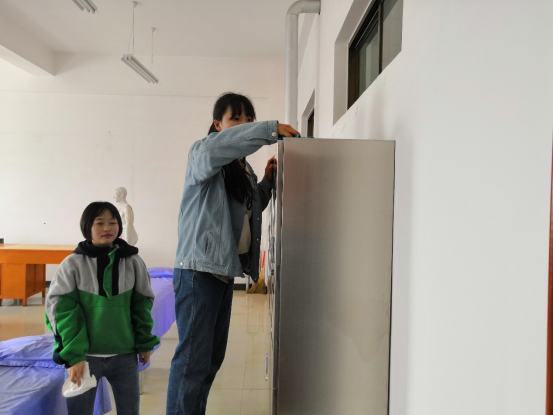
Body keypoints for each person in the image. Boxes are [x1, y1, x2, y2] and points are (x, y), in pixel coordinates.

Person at [166, 92, 299, 414]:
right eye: (235, 118)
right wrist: (268, 129)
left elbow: (248, 211)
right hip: (198, 272)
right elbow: (227, 144)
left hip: (222, 272)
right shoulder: (203, 153)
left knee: (210, 360)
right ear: (217, 124)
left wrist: (266, 183)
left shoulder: (241, 168)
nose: (243, 124)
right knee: (192, 362)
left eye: (248, 119)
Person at [45, 201, 160, 415]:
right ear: (87, 227)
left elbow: (142, 306)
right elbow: (61, 311)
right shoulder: (72, 264)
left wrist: (144, 341)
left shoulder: (133, 262)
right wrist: (74, 356)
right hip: (85, 359)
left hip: (125, 356)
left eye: (112, 222)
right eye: (100, 223)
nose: (107, 228)